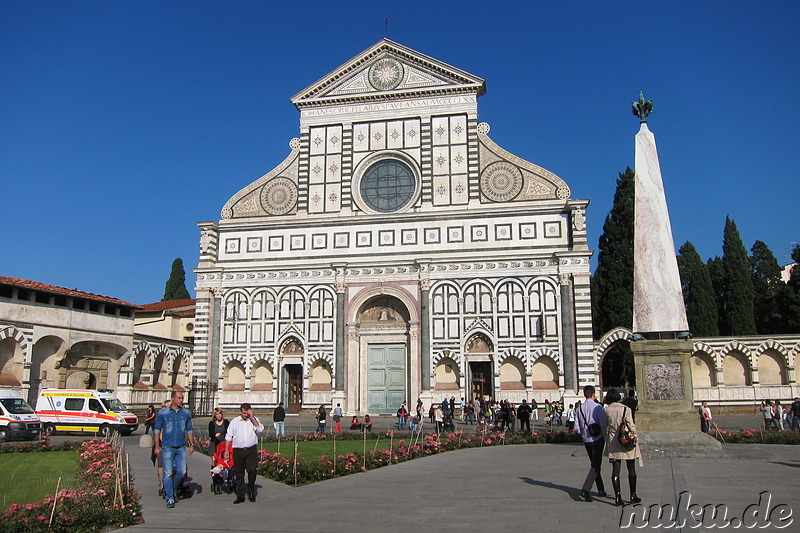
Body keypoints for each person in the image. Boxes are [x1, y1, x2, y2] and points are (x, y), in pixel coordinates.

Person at [153, 391, 196, 509]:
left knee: (181, 472)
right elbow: (157, 430)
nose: (181, 400)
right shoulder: (163, 413)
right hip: (167, 447)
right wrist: (157, 446)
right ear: (173, 399)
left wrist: (192, 444)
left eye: (182, 398)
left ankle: (173, 488)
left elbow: (189, 430)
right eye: (179, 398)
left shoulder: (185, 413)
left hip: (181, 446)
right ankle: (170, 497)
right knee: (168, 473)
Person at [603, 389, 642, 506]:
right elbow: (631, 425)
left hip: (613, 441)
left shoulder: (606, 410)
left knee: (615, 470)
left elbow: (606, 425)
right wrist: (635, 437)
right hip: (626, 441)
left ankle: (618, 497)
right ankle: (633, 495)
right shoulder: (626, 409)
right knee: (631, 469)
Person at [224, 403, 263, 504]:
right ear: (240, 412)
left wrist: (253, 417)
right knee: (239, 473)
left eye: (247, 413)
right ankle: (240, 495)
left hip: (251, 450)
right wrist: (227, 450)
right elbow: (229, 436)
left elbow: (260, 429)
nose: (246, 415)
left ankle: (251, 490)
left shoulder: (253, 420)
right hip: (238, 450)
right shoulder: (235, 422)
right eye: (244, 413)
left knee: (252, 470)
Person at [574, 385, 607, 502]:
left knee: (595, 464)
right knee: (596, 465)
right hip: (597, 439)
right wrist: (605, 436)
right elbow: (603, 424)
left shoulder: (579, 409)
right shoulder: (598, 407)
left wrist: (584, 433)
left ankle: (601, 490)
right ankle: (586, 489)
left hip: (586, 440)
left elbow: (576, 427)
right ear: (593, 394)